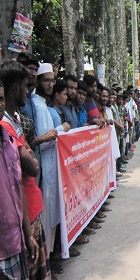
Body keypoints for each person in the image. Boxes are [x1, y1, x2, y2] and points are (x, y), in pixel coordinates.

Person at [0, 61, 49, 279]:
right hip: (15, 225)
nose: (28, 92)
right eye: (25, 86)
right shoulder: (7, 127)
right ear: (16, 88)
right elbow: (33, 165)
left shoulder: (17, 121)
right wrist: (28, 152)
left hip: (29, 208)